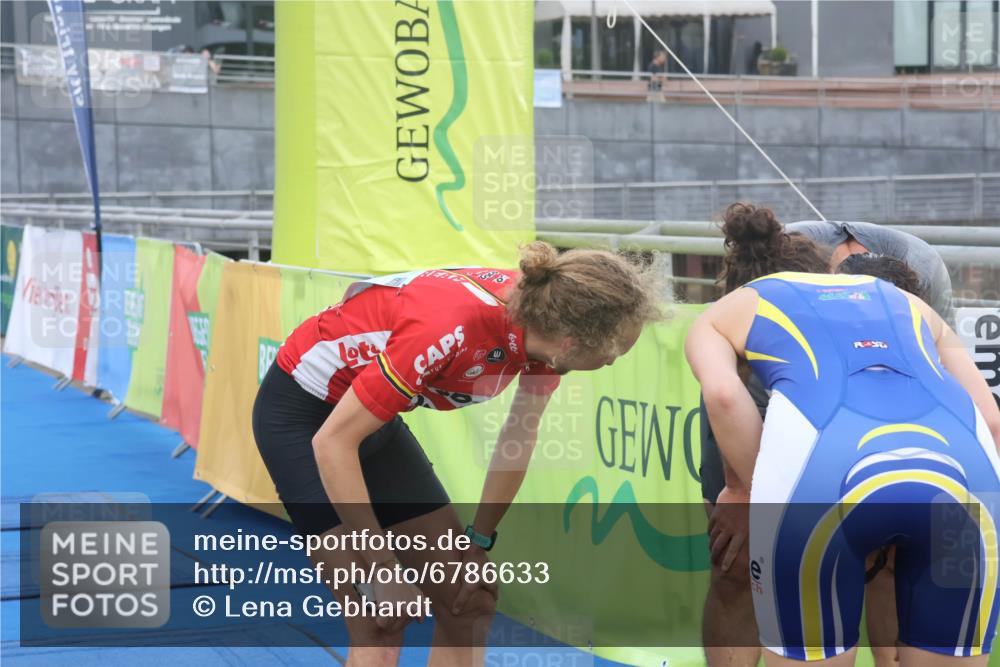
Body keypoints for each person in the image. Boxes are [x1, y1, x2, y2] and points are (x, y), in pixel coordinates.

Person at [252, 242, 660, 667]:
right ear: (572, 343)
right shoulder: (451, 325)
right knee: (380, 618)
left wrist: (477, 543)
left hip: (368, 422)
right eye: (615, 353)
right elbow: (333, 443)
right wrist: (381, 567)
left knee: (470, 597)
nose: (613, 362)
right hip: (305, 422)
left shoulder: (547, 321)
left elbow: (518, 435)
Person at [686, 206, 1000, 666]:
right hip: (964, 483)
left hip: (823, 479)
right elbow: (990, 421)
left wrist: (758, 487)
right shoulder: (909, 300)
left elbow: (724, 396)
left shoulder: (729, 310)